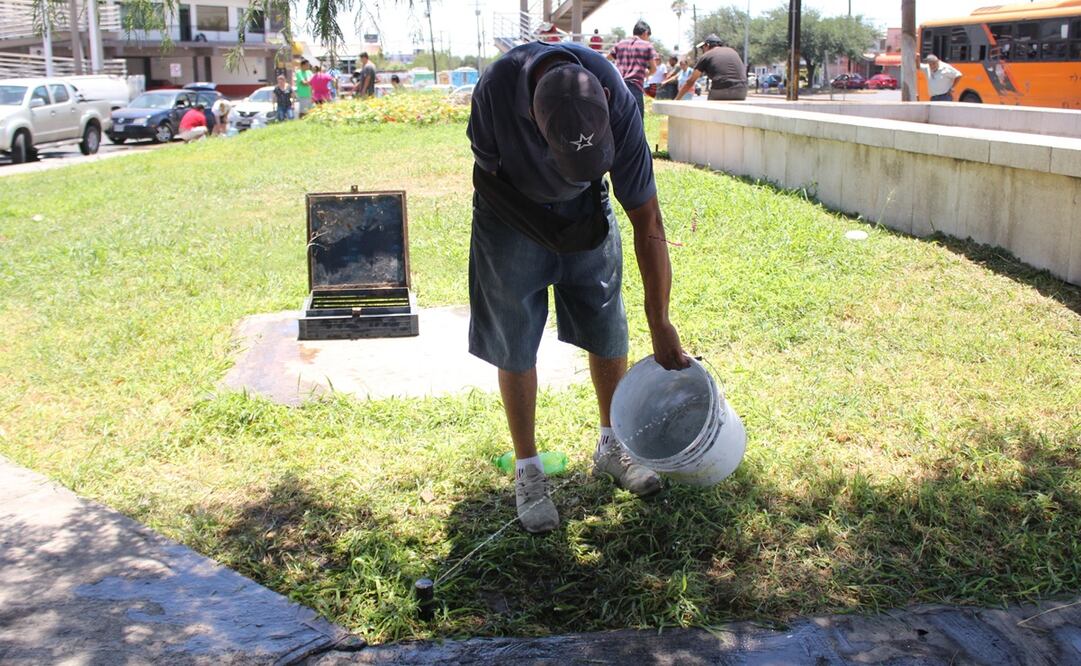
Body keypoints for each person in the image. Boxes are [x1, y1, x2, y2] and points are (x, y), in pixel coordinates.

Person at [467, 41, 691, 533]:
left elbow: (647, 219)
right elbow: (489, 172)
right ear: (531, 116)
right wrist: (538, 228)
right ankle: (528, 472)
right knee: (515, 336)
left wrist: (661, 321)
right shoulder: (495, 90)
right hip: (510, 210)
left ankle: (613, 447)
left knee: (606, 323)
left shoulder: (618, 98)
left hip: (586, 206)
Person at [675, 34, 747, 101]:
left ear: (707, 45)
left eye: (703, 48)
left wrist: (677, 99)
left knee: (709, 113)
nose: (703, 51)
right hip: (742, 90)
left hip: (721, 91)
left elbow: (691, 81)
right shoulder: (733, 51)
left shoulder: (706, 56)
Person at [609, 20, 657, 117]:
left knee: (619, 123)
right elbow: (654, 69)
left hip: (618, 86)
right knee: (637, 123)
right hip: (635, 87)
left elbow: (606, 59)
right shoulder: (647, 46)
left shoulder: (620, 44)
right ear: (645, 33)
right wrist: (646, 73)